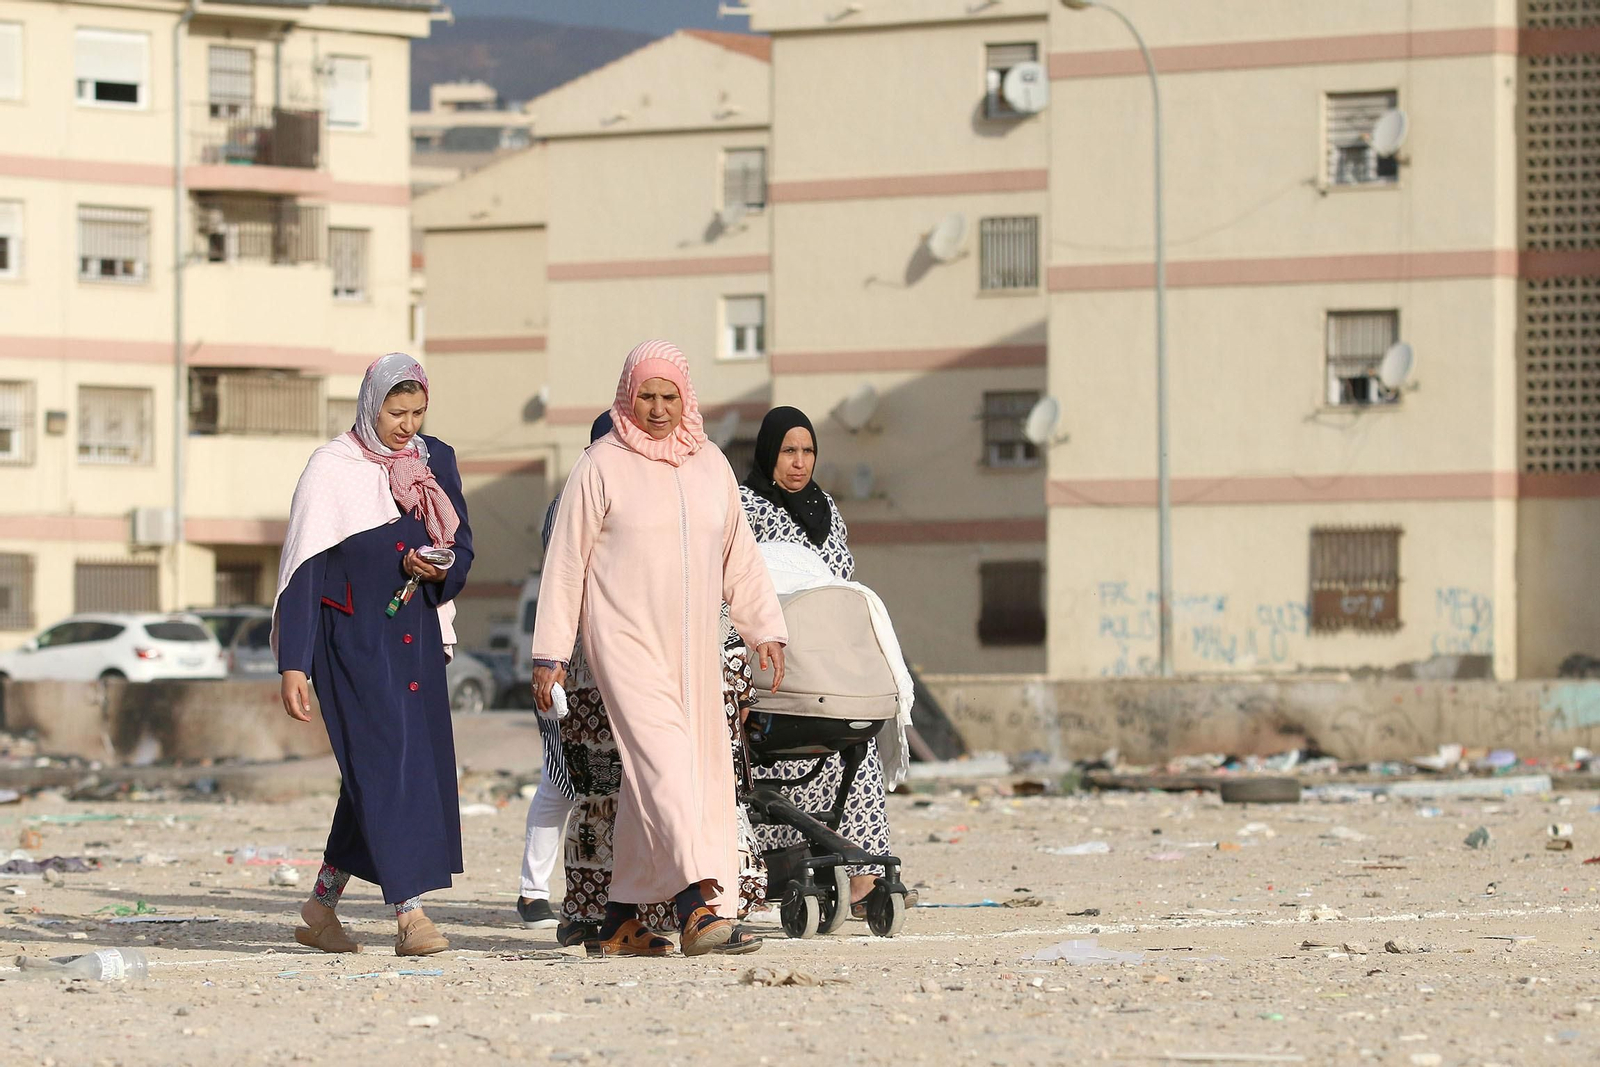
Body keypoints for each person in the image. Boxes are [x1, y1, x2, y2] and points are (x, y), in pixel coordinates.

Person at [532, 339, 786, 957]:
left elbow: (739, 554)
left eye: (668, 396)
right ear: (626, 395)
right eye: (645, 395)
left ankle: (618, 919)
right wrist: (550, 653)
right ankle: (695, 906)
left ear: (686, 397)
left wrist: (763, 627)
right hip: (624, 641)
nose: (656, 408)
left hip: (695, 649)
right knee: (667, 765)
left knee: (671, 775)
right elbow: (566, 564)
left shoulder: (710, 465)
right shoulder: (600, 465)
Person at [274, 353, 473, 957]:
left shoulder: (435, 461)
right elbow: (305, 571)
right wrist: (293, 663)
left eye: (418, 412)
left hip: (415, 640)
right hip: (352, 643)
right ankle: (411, 915)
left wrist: (434, 567)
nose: (407, 426)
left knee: (388, 769)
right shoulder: (332, 467)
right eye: (396, 411)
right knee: (390, 764)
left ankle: (321, 906)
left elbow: (461, 547)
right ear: (370, 405)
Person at [738, 405, 897, 916]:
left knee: (858, 742)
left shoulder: (825, 507)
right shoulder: (743, 506)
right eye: (788, 451)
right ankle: (775, 863)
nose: (799, 462)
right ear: (768, 453)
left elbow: (842, 583)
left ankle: (866, 879)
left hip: (827, 665)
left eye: (807, 451)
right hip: (772, 670)